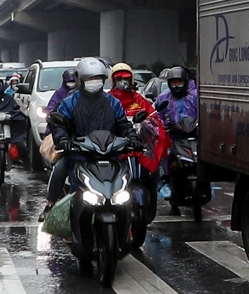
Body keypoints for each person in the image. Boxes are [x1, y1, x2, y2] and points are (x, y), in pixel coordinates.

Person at [45, 56, 134, 204]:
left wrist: (133, 138)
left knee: (129, 184)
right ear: (80, 79)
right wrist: (63, 139)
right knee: (60, 168)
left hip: (109, 155)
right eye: (90, 78)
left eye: (98, 78)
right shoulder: (69, 102)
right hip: (79, 155)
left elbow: (124, 125)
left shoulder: (113, 102)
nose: (94, 81)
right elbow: (59, 124)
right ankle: (50, 204)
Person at [107, 63, 167, 227]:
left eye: (126, 78)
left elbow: (154, 120)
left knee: (151, 173)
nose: (122, 82)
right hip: (114, 151)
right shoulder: (108, 100)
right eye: (118, 78)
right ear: (112, 80)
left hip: (137, 149)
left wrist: (152, 130)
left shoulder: (139, 100)